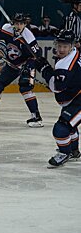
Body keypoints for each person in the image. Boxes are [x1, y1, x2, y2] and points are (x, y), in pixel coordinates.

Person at [0, 13, 44, 127]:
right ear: (13, 23)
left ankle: (36, 116)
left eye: (21, 23)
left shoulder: (28, 36)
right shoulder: (7, 28)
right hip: (12, 64)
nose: (18, 26)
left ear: (25, 24)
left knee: (25, 88)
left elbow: (37, 55)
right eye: (16, 23)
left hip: (27, 65)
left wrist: (28, 67)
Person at [35, 30, 81, 167]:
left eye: (65, 46)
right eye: (59, 45)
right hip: (76, 96)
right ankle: (74, 151)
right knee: (70, 126)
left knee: (61, 128)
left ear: (72, 46)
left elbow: (57, 87)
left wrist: (44, 69)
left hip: (78, 99)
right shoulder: (75, 54)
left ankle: (64, 153)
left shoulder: (65, 65)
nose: (61, 49)